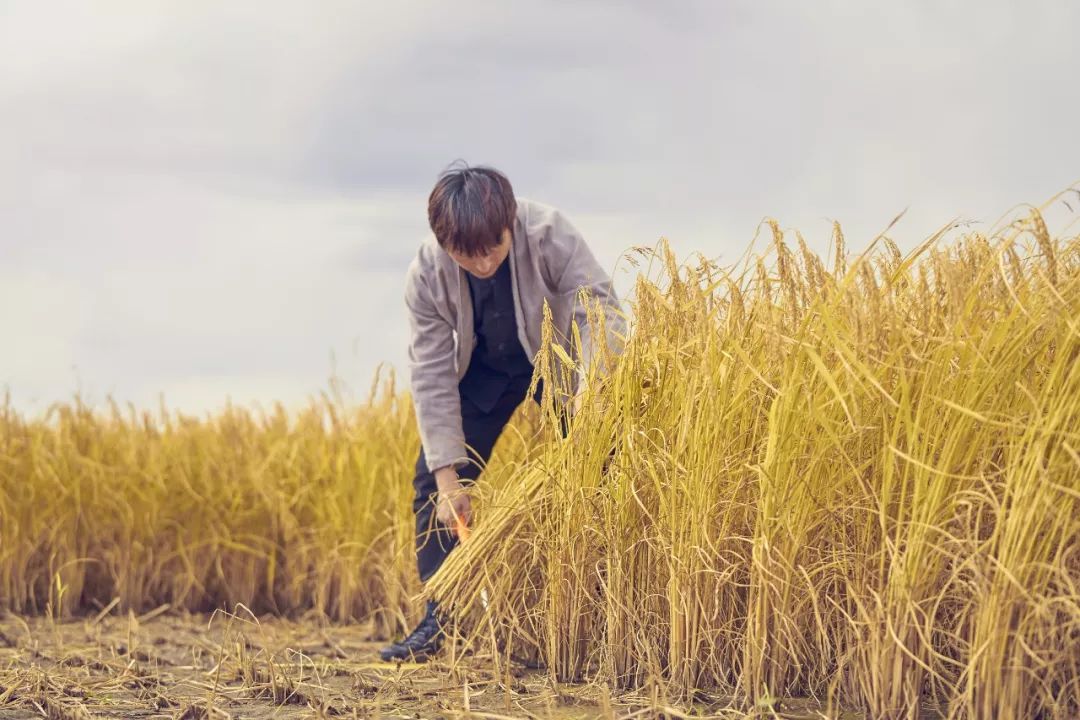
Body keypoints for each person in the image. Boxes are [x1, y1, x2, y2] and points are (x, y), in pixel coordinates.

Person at [378, 163, 625, 662]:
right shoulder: (426, 274)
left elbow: (599, 310)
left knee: (605, 463)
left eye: (493, 247)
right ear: (444, 243)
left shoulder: (550, 232)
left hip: (556, 362)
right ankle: (441, 618)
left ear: (509, 222)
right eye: (466, 254)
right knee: (431, 483)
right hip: (484, 373)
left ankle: (606, 613)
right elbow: (430, 372)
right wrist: (448, 480)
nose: (484, 262)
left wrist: (591, 398)